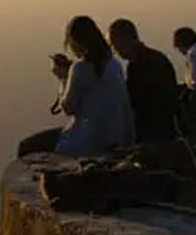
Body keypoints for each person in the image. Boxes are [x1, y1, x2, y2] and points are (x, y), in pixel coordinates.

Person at [17, 16, 135, 158]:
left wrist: (63, 78)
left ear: (76, 43)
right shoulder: (115, 65)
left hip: (86, 143)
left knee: (26, 146)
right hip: (113, 139)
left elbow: (68, 108)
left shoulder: (79, 68)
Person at [108, 18, 179, 142]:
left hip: (153, 133)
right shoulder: (158, 57)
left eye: (114, 44)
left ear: (124, 40)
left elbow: (137, 102)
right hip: (168, 128)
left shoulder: (138, 65)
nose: (115, 50)